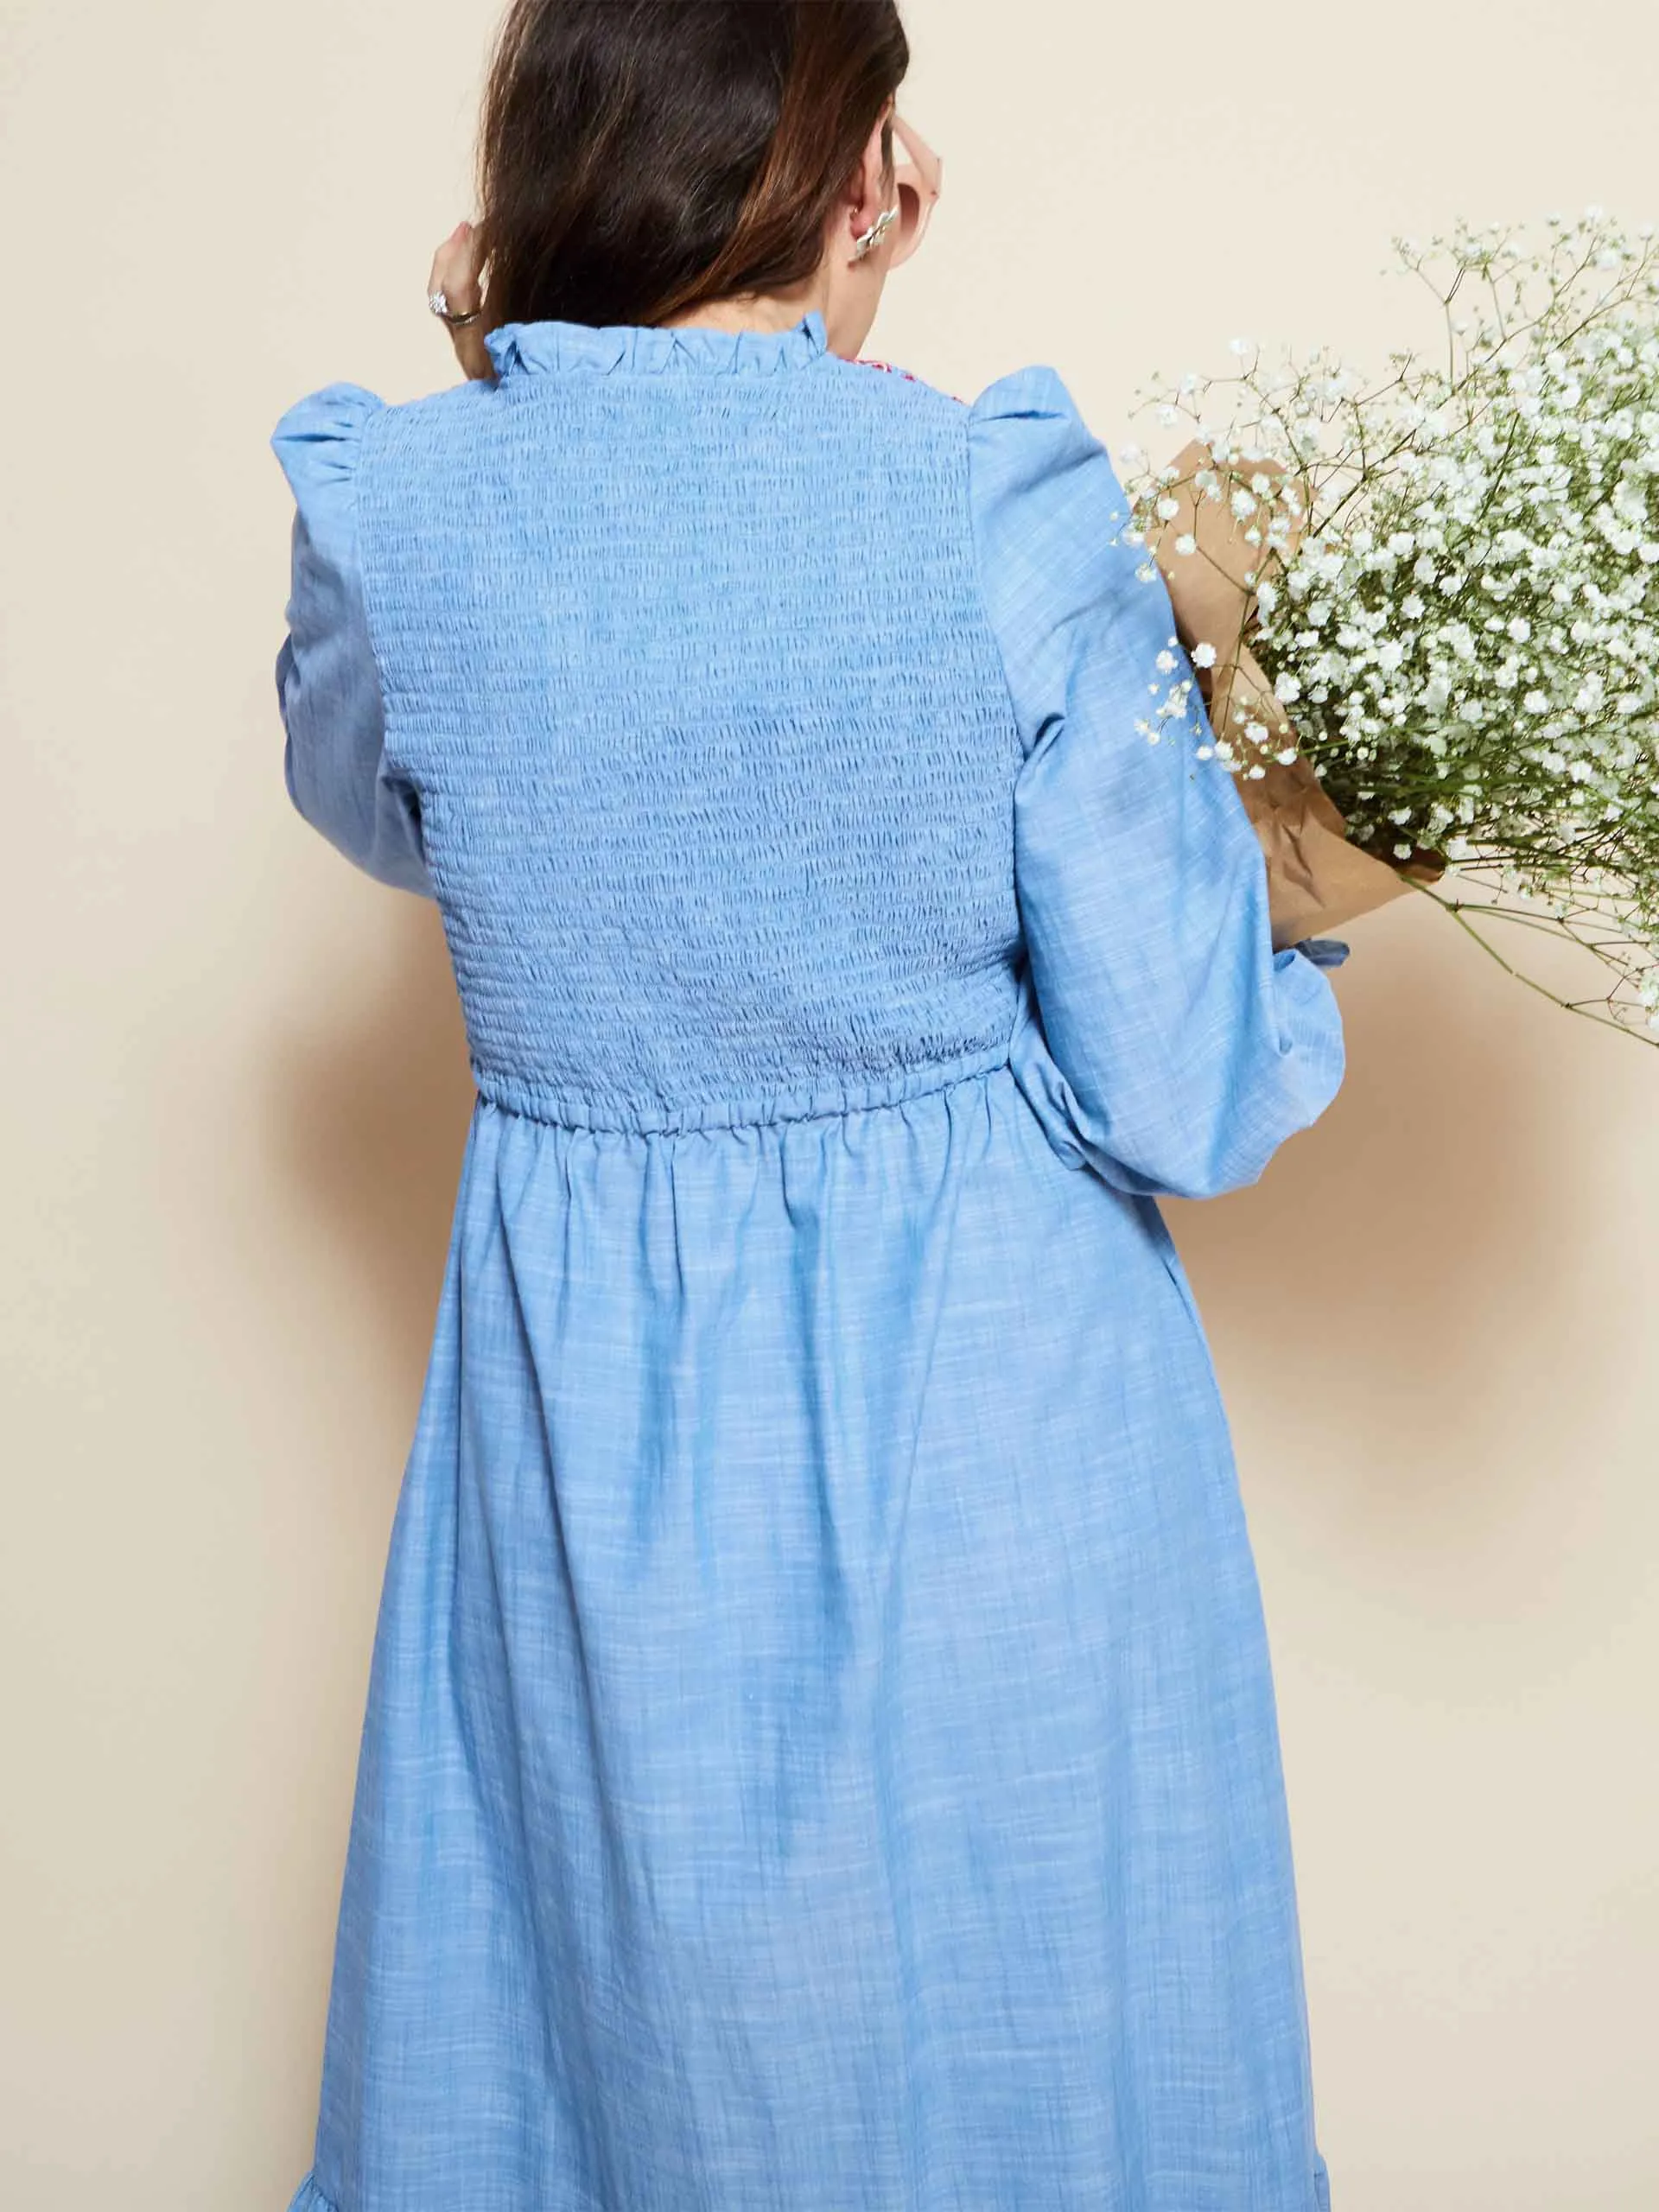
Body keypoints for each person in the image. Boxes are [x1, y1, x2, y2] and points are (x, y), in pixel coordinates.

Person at [270, 4, 1344, 2206]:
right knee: (1049, 2079)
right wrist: (1300, 947)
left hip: (590, 1451)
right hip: (1008, 1437)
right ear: (865, 180)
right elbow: (1181, 1085)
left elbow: (393, 809)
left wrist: (495, 334)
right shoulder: (989, 492)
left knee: (616, 2072)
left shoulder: (394, 506)